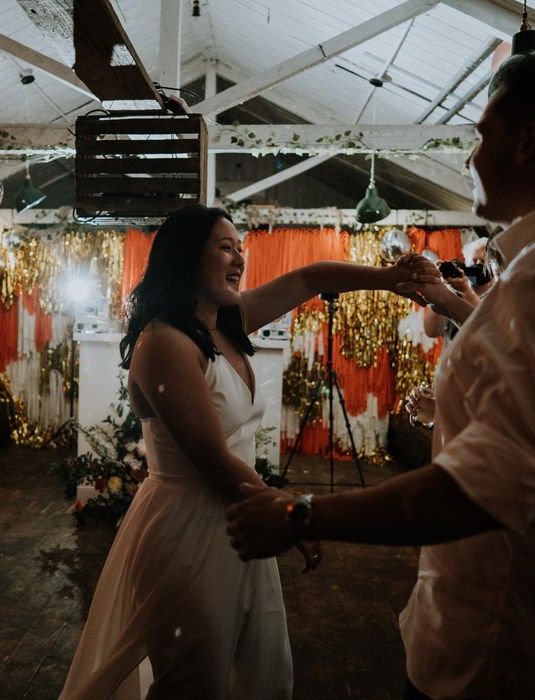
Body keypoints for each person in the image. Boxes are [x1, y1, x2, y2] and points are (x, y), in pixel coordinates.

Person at [226, 51, 535, 700]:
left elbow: (481, 491)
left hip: (489, 645)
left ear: (527, 140)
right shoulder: (529, 270)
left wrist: (301, 513)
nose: (467, 157)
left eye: (481, 135)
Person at [60, 204, 432, 699]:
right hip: (188, 527)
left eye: (242, 248)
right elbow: (213, 461)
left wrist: (388, 278)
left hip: (239, 517)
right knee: (195, 680)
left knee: (260, 671)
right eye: (225, 247)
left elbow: (308, 277)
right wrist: (294, 515)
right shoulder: (165, 342)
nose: (239, 258)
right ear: (187, 256)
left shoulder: (224, 322)